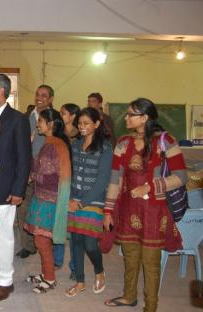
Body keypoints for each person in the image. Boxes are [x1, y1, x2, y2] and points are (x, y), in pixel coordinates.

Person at [103, 98, 187, 311]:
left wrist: (150, 186)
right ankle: (128, 296)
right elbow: (115, 180)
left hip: (153, 211)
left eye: (131, 114)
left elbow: (181, 176)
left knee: (150, 262)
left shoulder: (165, 141)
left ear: (145, 117)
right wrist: (108, 210)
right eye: (128, 113)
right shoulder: (122, 143)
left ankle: (151, 306)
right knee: (130, 257)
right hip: (129, 208)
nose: (126, 117)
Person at [0, 74, 31, 301]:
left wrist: (19, 190)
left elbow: (24, 158)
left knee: (3, 237)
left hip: (5, 188)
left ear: (1, 91)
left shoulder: (18, 119)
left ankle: (6, 281)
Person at [65, 107, 112, 297]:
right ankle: (80, 281)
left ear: (97, 124)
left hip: (93, 201)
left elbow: (102, 181)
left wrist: (82, 203)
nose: (81, 127)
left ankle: (99, 271)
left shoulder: (105, 148)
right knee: (76, 241)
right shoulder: (75, 145)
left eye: (86, 123)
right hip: (73, 199)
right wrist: (69, 198)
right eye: (80, 123)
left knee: (91, 244)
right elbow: (70, 173)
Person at [24, 108, 71, 294]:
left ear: (51, 124)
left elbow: (57, 176)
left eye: (41, 121)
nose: (38, 124)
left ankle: (50, 279)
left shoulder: (57, 145)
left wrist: (35, 175)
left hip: (50, 200)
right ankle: (46, 274)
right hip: (41, 196)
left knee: (42, 241)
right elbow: (38, 169)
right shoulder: (48, 142)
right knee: (40, 240)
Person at [17, 84, 54, 260]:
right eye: (37, 94)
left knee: (44, 210)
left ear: (51, 99)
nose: (40, 98)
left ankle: (46, 245)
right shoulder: (26, 117)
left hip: (48, 172)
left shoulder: (55, 118)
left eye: (44, 95)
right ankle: (27, 245)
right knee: (23, 208)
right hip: (27, 167)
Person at [60, 102, 81, 279]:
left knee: (74, 229)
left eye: (64, 113)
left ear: (73, 116)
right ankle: (56, 260)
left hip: (74, 181)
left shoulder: (80, 136)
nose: (61, 116)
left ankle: (75, 267)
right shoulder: (58, 133)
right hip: (59, 180)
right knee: (58, 222)